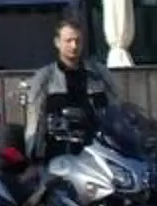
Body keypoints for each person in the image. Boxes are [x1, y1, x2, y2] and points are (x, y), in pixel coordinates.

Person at [26, 20, 117, 161]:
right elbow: (35, 119)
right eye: (68, 41)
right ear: (57, 42)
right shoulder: (45, 77)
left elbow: (116, 109)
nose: (74, 46)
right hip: (59, 151)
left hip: (97, 149)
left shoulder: (99, 73)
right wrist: (33, 157)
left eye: (77, 41)